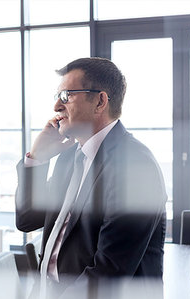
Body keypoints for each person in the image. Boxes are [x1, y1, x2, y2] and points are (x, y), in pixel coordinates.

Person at [15, 57, 167, 298]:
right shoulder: (69, 158)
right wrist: (37, 158)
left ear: (100, 101)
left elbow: (109, 271)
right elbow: (26, 219)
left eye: (66, 96)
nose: (56, 106)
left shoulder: (136, 166)